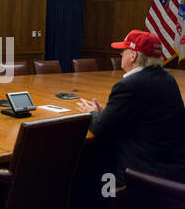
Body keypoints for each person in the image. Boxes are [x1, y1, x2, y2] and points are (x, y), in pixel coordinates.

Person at [77, 30, 185, 189]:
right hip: (172, 167)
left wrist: (92, 114)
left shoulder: (129, 85)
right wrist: (104, 115)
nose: (121, 54)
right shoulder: (167, 78)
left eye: (124, 50)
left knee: (88, 165)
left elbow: (101, 129)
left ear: (133, 56)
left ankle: (106, 198)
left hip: (142, 171)